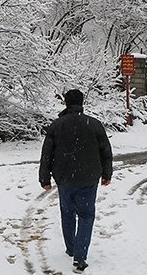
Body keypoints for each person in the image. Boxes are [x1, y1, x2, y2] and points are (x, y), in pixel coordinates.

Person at [39, 89, 113, 273]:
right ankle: (80, 257)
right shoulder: (94, 125)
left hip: (64, 179)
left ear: (66, 103)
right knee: (87, 215)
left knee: (67, 213)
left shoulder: (57, 125)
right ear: (82, 103)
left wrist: (44, 178)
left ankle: (71, 248)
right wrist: (107, 174)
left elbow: (46, 154)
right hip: (89, 178)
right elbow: (106, 151)